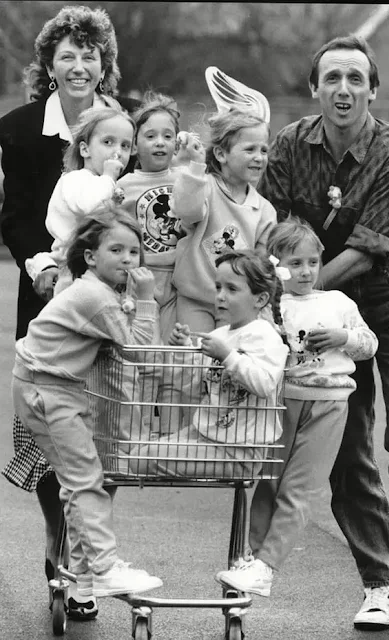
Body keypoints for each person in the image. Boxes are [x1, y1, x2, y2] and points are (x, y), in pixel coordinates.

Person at [254, 35, 389, 634]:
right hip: (313, 296)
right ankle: (379, 583)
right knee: (345, 442)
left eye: (356, 78)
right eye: (332, 78)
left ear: (373, 90)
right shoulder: (289, 145)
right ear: (315, 89)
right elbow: (272, 231)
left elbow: (366, 249)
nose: (344, 89)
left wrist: (299, 300)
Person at [0, 4, 140, 620]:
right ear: (49, 65)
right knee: (50, 430)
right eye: (68, 55)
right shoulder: (18, 129)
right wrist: (45, 269)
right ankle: (58, 545)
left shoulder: (127, 126)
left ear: (103, 64)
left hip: (114, 292)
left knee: (99, 431)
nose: (80, 65)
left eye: (90, 54)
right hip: (50, 294)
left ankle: (86, 562)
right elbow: (17, 215)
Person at [215, 217, 378, 598]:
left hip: (329, 406)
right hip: (282, 403)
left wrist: (342, 337)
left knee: (299, 489)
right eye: (295, 263)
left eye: (313, 262)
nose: (306, 271)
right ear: (277, 267)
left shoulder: (337, 302)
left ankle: (266, 565)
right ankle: (252, 558)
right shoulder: (272, 309)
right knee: (269, 481)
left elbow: (369, 344)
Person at [11, 210, 163, 599]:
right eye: (116, 250)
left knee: (78, 481)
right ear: (91, 256)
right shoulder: (97, 297)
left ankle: (83, 571)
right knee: (85, 480)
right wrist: (146, 299)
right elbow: (141, 352)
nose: (128, 259)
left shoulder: (101, 291)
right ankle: (105, 567)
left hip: (55, 387)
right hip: (46, 390)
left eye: (134, 251)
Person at [131, 250, 288, 478]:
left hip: (239, 450)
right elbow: (195, 389)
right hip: (205, 433)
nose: (221, 296)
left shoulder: (265, 335)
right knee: (137, 452)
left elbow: (264, 384)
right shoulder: (219, 335)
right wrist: (184, 350)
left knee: (141, 459)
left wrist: (227, 356)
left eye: (232, 289)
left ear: (260, 299)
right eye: (218, 287)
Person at [170, 108, 277, 333]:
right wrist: (196, 167)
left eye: (264, 150)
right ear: (221, 154)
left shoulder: (265, 211)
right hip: (195, 299)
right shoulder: (203, 186)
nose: (259, 157)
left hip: (236, 307)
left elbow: (262, 265)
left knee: (227, 353)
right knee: (194, 352)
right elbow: (186, 211)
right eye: (250, 149)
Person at [26, 103, 136, 293]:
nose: (117, 152)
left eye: (125, 145)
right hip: (74, 270)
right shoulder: (75, 179)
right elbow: (89, 205)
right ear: (85, 150)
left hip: (99, 269)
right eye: (108, 142)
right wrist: (109, 177)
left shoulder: (107, 184)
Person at [119, 90, 199, 343]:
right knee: (144, 344)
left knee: (174, 345)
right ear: (134, 145)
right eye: (150, 136)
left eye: (167, 136)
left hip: (179, 278)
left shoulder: (185, 178)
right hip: (140, 278)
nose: (160, 142)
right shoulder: (124, 185)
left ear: (177, 143)